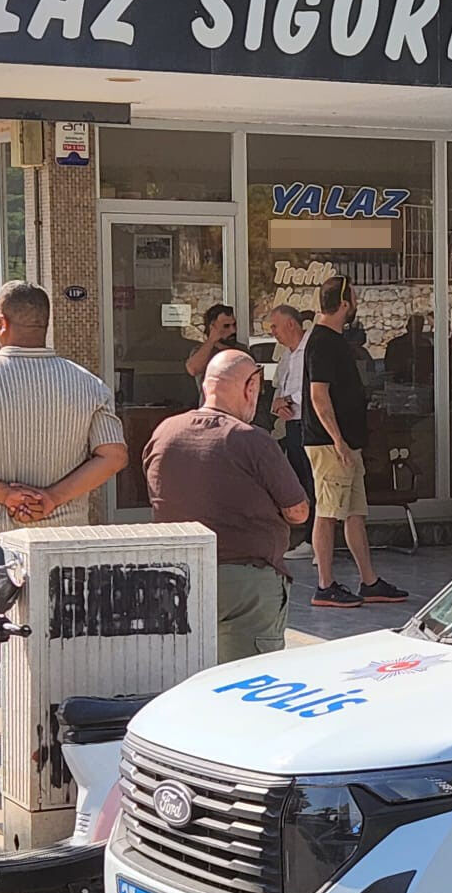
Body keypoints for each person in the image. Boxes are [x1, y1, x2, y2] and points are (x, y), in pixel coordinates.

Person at [0, 280, 128, 790]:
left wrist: (5, 495)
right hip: (59, 545)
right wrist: (56, 497)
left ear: (1, 323)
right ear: (46, 324)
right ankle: (61, 771)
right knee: (57, 653)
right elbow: (114, 454)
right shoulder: (86, 383)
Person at [144, 350, 310, 663]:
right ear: (250, 387)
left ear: (207, 386)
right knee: (247, 682)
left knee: (187, 678)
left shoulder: (164, 433)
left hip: (178, 577)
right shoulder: (252, 440)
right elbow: (298, 510)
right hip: (246, 581)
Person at [301, 275, 407, 608]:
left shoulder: (333, 340)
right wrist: (338, 441)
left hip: (347, 444)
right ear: (345, 303)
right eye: (355, 299)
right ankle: (325, 584)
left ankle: (369, 580)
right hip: (332, 445)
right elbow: (319, 396)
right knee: (328, 512)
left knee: (355, 513)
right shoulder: (321, 341)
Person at [267, 304, 314, 539]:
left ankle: (313, 537)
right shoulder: (287, 354)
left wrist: (287, 399)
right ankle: (303, 534)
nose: (273, 332)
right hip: (292, 424)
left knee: (311, 480)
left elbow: (314, 390)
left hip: (311, 424)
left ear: (291, 324)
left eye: (275, 326)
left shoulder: (311, 349)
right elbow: (281, 387)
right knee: (297, 481)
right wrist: (278, 403)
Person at [185, 303, 242, 384]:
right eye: (226, 326)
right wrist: (211, 340)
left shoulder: (242, 350)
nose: (233, 330)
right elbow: (193, 369)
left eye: (234, 325)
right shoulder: (204, 351)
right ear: (212, 327)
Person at [384, 313, 434, 385]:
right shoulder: (395, 345)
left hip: (423, 384)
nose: (415, 329)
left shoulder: (426, 345)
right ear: (407, 327)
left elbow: (430, 366)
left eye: (418, 326)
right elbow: (389, 367)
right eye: (414, 326)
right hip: (399, 384)